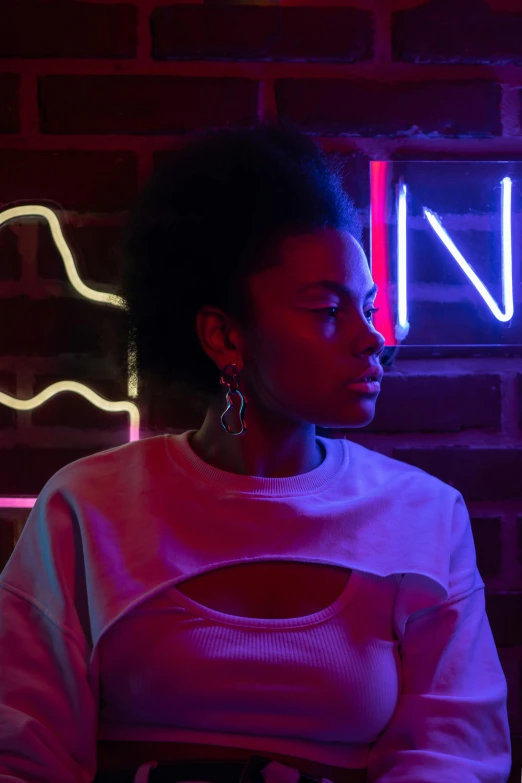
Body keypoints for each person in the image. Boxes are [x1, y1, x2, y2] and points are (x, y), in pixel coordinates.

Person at [0, 123, 511, 783]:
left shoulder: (426, 515)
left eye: (370, 307)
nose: (372, 338)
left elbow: (453, 754)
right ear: (223, 335)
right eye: (328, 309)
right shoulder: (89, 506)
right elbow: (22, 746)